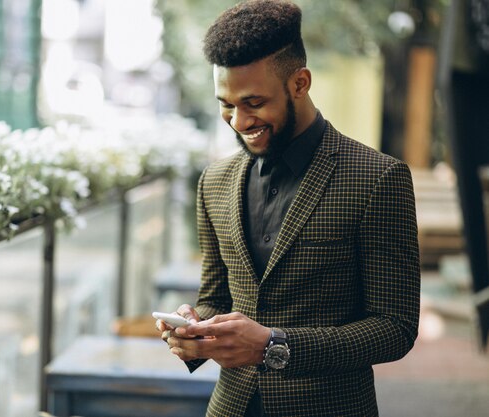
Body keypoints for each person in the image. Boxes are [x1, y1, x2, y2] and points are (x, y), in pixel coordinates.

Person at [156, 1, 421, 416]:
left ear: (300, 83)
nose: (239, 121)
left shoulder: (377, 179)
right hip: (230, 407)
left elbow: (395, 328)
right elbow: (215, 296)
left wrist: (273, 345)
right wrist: (193, 329)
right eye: (226, 103)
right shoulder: (214, 182)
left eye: (254, 102)